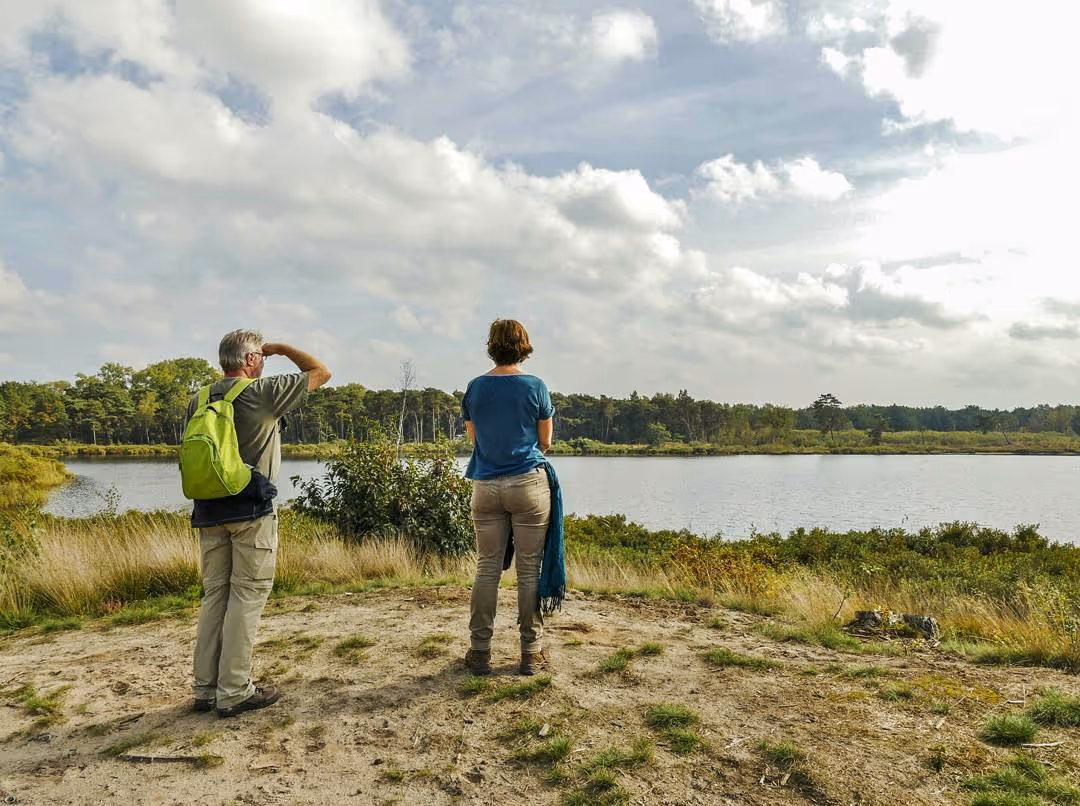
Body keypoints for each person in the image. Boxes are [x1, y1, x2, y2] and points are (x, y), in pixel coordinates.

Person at [187, 330, 331, 717]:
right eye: (261, 357)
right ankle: (234, 690)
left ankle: (205, 688)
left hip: (208, 511)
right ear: (250, 360)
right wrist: (282, 348)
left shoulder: (198, 399)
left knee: (214, 596)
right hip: (251, 510)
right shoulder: (261, 393)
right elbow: (320, 372)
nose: (264, 362)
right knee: (246, 597)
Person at [461, 319, 557, 676]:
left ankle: (480, 652)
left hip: (485, 486)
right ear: (523, 347)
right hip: (527, 484)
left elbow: (475, 441)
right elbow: (545, 442)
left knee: (487, 569)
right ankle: (531, 653)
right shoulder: (536, 387)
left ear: (491, 346)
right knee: (529, 570)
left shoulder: (474, 388)